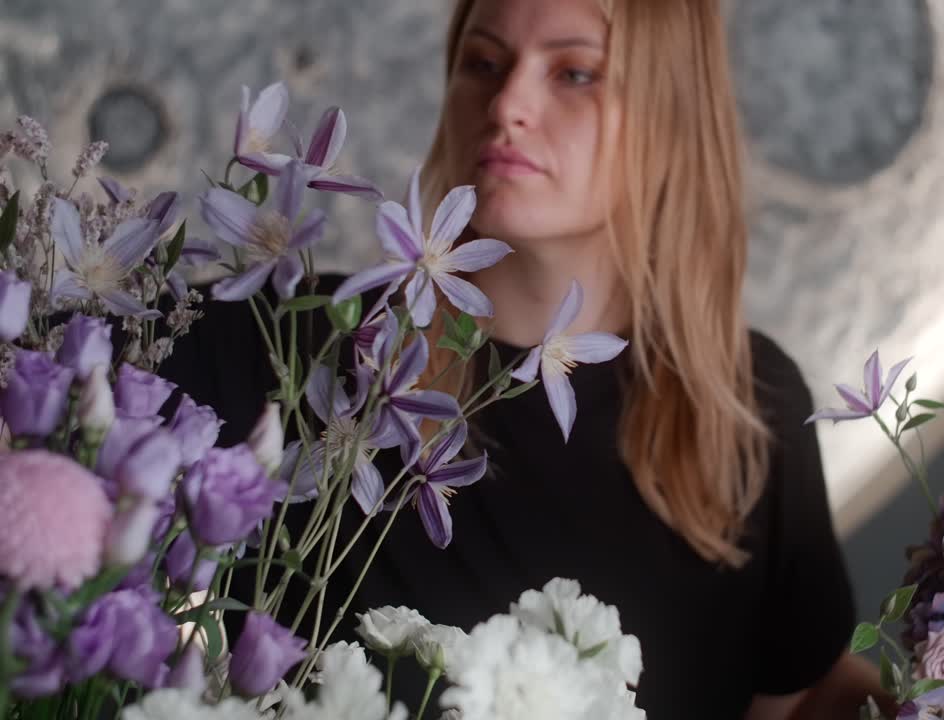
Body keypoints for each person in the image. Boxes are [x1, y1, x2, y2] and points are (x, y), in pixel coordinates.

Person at [163, 0, 892, 717]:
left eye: (575, 73)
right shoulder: (298, 345)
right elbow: (63, 380)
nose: (507, 101)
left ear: (672, 118)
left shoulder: (748, 405)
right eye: (482, 62)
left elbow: (802, 692)